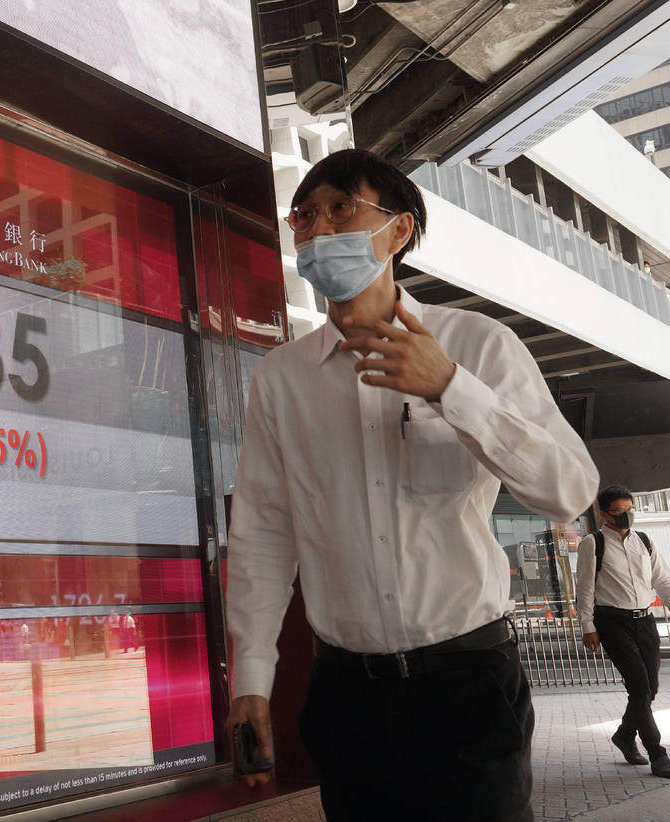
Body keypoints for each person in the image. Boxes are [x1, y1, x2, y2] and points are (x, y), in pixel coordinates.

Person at [225, 148, 599, 821]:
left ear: (398, 231)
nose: (318, 229)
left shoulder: (478, 344)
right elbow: (263, 531)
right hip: (346, 693)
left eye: (342, 208)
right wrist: (251, 677)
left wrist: (452, 388)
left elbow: (568, 488)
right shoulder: (282, 379)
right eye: (305, 216)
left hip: (467, 685)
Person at [575, 485, 670, 778]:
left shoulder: (644, 540)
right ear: (604, 513)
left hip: (645, 620)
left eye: (630, 510)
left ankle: (624, 735)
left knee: (650, 688)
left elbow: (662, 580)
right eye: (619, 511)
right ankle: (658, 754)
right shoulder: (594, 543)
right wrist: (587, 626)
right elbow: (586, 589)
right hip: (612, 622)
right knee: (639, 687)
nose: (627, 515)